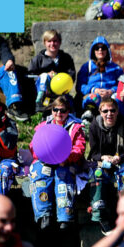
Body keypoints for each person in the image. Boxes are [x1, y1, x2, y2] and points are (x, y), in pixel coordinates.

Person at [29, 96, 86, 230]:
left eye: (63, 110)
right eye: (55, 110)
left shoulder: (76, 127)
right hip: (45, 161)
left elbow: (79, 148)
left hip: (66, 162)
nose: (59, 113)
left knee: (64, 176)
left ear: (68, 111)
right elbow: (34, 146)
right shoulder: (44, 126)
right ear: (51, 110)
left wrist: (66, 158)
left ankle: (65, 216)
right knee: (39, 174)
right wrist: (44, 157)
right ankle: (44, 215)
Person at [88, 97, 124, 235]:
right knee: (97, 175)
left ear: (117, 111)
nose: (109, 114)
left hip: (120, 160)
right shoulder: (94, 126)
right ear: (100, 112)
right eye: (105, 111)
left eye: (112, 110)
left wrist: (119, 158)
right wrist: (103, 157)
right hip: (102, 161)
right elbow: (93, 152)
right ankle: (101, 216)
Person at [28, 29, 76, 114]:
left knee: (70, 107)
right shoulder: (38, 59)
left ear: (60, 42)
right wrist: (45, 76)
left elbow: (71, 75)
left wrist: (58, 77)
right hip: (45, 92)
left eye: (55, 41)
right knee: (44, 76)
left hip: (61, 91)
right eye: (49, 41)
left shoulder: (66, 58)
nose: (52, 44)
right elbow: (30, 76)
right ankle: (40, 102)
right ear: (44, 43)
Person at [76, 36, 123, 122]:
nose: (100, 50)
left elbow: (121, 84)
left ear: (107, 50)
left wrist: (111, 91)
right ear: (93, 51)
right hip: (95, 95)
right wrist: (94, 89)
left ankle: (119, 123)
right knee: (93, 97)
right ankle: (88, 119)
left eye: (103, 48)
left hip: (110, 95)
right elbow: (80, 86)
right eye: (97, 48)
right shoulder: (87, 66)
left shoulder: (116, 68)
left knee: (117, 100)